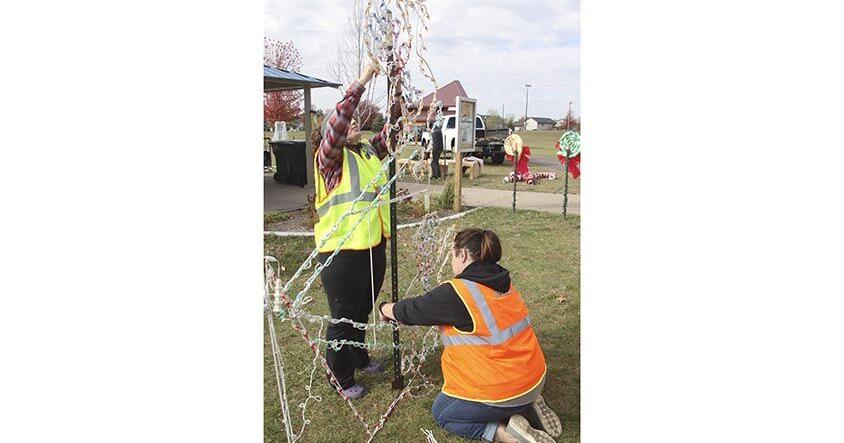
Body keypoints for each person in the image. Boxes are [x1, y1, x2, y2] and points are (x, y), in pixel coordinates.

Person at [378, 229, 562, 443]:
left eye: (453, 254)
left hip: (504, 391)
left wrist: (384, 308)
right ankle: (529, 403)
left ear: (462, 255)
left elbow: (412, 309)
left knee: (443, 412)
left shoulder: (458, 293)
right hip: (535, 376)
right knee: (511, 389)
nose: (452, 260)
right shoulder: (504, 282)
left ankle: (507, 434)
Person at [314, 60, 402, 400]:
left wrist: (397, 90)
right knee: (344, 316)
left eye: (355, 121)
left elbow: (394, 130)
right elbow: (338, 120)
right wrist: (363, 79)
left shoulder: (367, 151)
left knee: (363, 309)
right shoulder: (330, 160)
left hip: (371, 246)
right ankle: (340, 375)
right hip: (341, 253)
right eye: (347, 122)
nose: (353, 124)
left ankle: (359, 357)